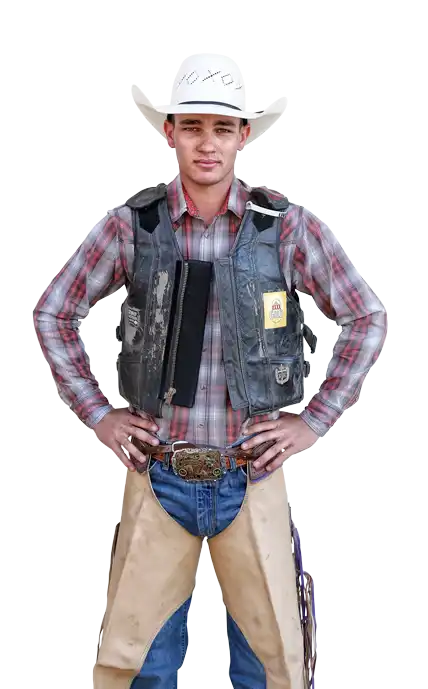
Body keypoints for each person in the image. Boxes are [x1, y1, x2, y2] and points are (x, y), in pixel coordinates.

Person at [33, 54, 387, 689]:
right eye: (192, 127)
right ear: (169, 132)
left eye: (222, 128)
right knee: (136, 665)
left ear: (243, 137)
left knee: (273, 667)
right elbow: (53, 312)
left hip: (252, 473)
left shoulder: (285, 229)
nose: (207, 143)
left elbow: (366, 317)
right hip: (158, 474)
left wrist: (314, 421)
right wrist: (99, 414)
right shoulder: (133, 226)